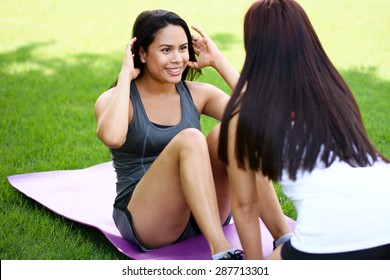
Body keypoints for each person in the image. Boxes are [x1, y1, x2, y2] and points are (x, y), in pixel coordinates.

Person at [94, 9, 291, 260]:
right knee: (191, 138)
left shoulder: (196, 93)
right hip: (149, 221)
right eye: (166, 50)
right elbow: (112, 137)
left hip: (204, 213)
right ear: (142, 53)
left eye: (183, 48)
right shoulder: (115, 99)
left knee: (232, 131)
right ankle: (221, 250)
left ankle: (285, 239)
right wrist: (125, 77)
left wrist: (218, 60)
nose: (177, 58)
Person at [216, 0, 390, 260]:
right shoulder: (337, 94)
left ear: (253, 47)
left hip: (329, 242)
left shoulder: (243, 120)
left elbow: (246, 206)